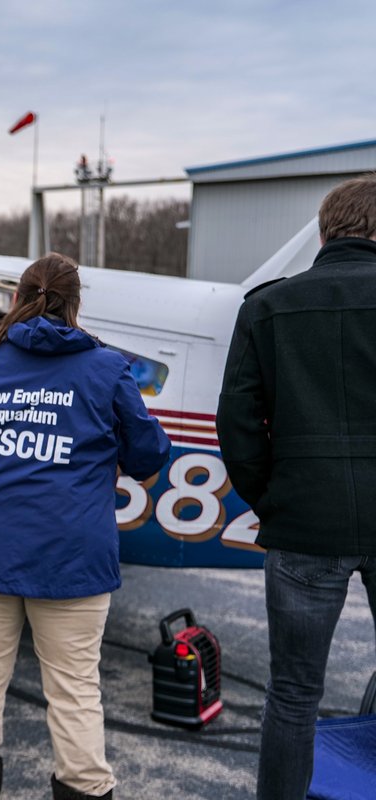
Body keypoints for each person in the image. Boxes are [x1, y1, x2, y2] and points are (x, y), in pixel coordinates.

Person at [0, 253, 169, 800]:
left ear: (15, 300)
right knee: (74, 689)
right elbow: (149, 453)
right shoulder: (107, 369)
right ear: (76, 306)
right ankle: (84, 787)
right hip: (69, 555)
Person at [217, 175, 376, 800]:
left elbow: (237, 421)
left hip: (303, 519)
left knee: (293, 694)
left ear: (324, 230)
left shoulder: (266, 306)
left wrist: (270, 499)